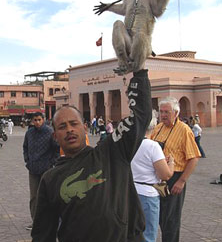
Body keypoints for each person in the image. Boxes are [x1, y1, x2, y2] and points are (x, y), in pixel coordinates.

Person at [31, 69, 152, 242]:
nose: (70, 129)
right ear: (55, 136)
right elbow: (42, 233)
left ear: (85, 128)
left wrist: (139, 72)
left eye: (74, 124)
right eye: (62, 127)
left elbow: (140, 116)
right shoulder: (50, 179)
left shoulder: (111, 152)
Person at [94, 0, 174, 75]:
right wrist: (108, 6)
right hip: (127, 38)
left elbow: (158, 10)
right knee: (117, 24)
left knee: (141, 35)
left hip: (141, 42)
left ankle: (133, 66)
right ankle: (122, 62)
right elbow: (123, 8)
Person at [150, 97, 201, 242]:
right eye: (161, 112)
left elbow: (194, 158)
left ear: (176, 113)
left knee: (171, 220)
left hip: (174, 180)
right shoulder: (158, 128)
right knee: (159, 216)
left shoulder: (184, 130)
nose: (163, 115)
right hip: (158, 179)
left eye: (167, 112)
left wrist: (181, 181)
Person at [131, 123, 175, 242]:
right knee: (148, 235)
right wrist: (171, 164)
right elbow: (164, 175)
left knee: (132, 232)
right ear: (153, 126)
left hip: (131, 191)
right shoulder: (152, 146)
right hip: (148, 194)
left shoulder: (130, 143)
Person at [23, 112, 59, 230]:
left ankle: (49, 221)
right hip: (33, 169)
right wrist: (27, 160)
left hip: (46, 169)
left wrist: (52, 162)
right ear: (32, 121)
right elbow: (25, 147)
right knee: (34, 197)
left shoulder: (49, 132)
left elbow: (56, 148)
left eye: (39, 120)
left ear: (43, 120)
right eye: (35, 120)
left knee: (47, 195)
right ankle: (36, 222)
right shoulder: (29, 133)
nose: (37, 122)